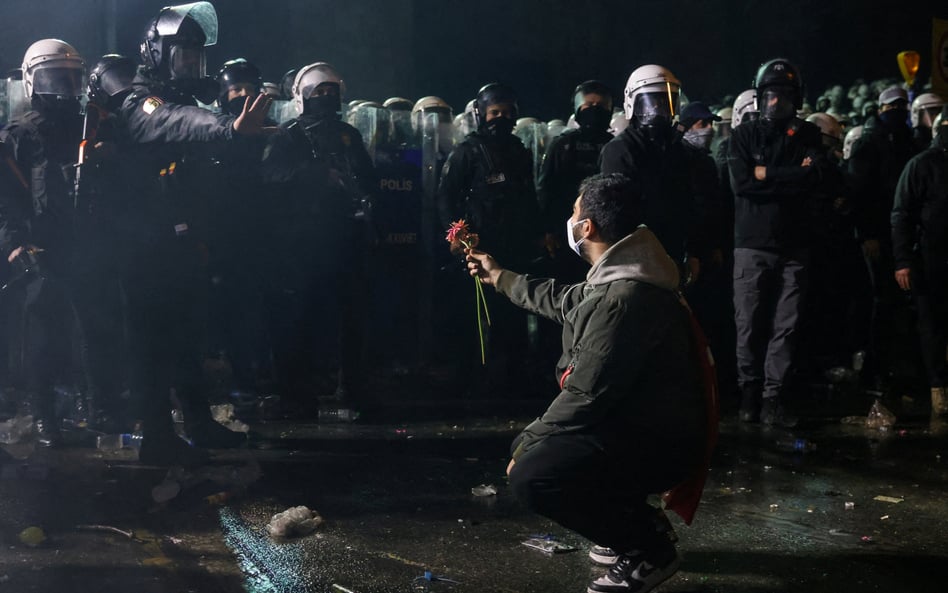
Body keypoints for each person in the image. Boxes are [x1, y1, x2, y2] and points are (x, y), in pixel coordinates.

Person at [466, 173, 705, 593]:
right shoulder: (625, 275)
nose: (570, 220)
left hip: (658, 443)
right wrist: (499, 275)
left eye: (575, 213)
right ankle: (636, 522)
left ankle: (648, 549)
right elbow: (562, 300)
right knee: (549, 450)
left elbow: (586, 394)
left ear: (587, 227)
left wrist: (526, 442)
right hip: (643, 426)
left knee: (533, 473)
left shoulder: (624, 298)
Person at [118, 1, 271, 464]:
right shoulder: (140, 100)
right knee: (151, 341)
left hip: (179, 239)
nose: (190, 64)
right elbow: (172, 121)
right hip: (141, 244)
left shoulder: (184, 99)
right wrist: (229, 126)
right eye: (181, 54)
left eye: (195, 56)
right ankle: (157, 437)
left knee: (187, 336)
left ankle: (198, 423)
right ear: (157, 53)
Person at [261, 61, 376, 407]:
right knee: (298, 317)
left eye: (331, 91)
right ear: (302, 97)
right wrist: (316, 175)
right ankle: (296, 392)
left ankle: (351, 387)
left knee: (351, 317)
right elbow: (270, 177)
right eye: (318, 92)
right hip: (302, 240)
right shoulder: (288, 135)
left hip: (345, 234)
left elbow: (367, 177)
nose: (325, 97)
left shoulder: (348, 135)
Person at [728, 58, 828, 426]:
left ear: (795, 98)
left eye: (783, 96)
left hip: (794, 245)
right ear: (759, 97)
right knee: (749, 324)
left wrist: (767, 174)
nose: (775, 103)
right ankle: (749, 394)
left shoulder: (808, 135)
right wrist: (792, 175)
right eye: (769, 95)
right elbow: (742, 183)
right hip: (752, 245)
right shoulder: (742, 136)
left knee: (786, 325)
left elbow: (815, 176)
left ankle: (773, 397)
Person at [0, 39, 87, 447]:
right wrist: (15, 244)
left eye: (73, 78)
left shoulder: (90, 126)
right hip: (40, 249)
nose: (66, 88)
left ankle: (89, 405)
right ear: (33, 81)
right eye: (56, 78)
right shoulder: (18, 135)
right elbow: (4, 198)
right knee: (44, 334)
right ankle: (43, 414)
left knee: (89, 329)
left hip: (84, 244)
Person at [437, 82, 541, 394]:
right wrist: (455, 234)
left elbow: (529, 196)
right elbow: (445, 196)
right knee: (472, 313)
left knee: (512, 311)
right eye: (495, 113)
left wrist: (539, 232)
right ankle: (468, 376)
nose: (501, 118)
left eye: (508, 113)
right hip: (478, 246)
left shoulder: (519, 151)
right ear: (482, 115)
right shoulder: (467, 151)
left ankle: (510, 375)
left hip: (514, 244)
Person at [847, 85, 919, 392]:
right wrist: (868, 234)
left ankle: (895, 366)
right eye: (893, 107)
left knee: (898, 302)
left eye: (903, 106)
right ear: (880, 110)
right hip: (878, 233)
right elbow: (861, 193)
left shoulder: (908, 142)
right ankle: (874, 369)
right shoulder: (869, 144)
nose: (898, 111)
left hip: (903, 233)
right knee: (880, 301)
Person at [600, 65, 699, 281]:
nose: (659, 110)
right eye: (651, 102)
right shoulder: (620, 149)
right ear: (632, 104)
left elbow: (688, 200)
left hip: (673, 248)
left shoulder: (677, 148)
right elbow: (617, 209)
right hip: (636, 255)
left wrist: (693, 250)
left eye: (666, 102)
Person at [891, 105, 948, 416]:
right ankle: (938, 389)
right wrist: (903, 260)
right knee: (931, 325)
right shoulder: (922, 165)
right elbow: (902, 215)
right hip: (931, 260)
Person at [537, 79, 614, 281]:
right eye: (589, 105)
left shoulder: (614, 145)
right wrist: (547, 230)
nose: (594, 110)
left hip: (604, 233)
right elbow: (545, 187)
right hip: (565, 229)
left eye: (601, 106)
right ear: (578, 109)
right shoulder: (563, 144)